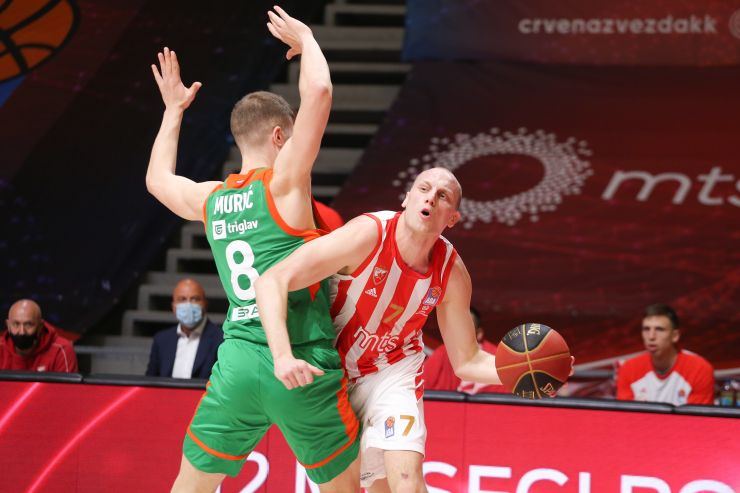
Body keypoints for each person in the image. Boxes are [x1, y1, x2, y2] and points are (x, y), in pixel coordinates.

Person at [146, 6, 359, 493]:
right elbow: (320, 93)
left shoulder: (212, 199)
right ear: (280, 136)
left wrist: (173, 110)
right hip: (300, 358)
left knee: (189, 487)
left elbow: (157, 180)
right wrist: (308, 40)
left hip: (237, 360)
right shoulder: (284, 184)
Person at [256, 167, 539, 493]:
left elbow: (467, 360)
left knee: (407, 482)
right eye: (424, 189)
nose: (430, 198)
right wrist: (282, 355)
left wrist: (526, 370)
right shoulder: (367, 234)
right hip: (331, 371)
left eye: (442, 196)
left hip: (392, 370)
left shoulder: (452, 272)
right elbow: (273, 280)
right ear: (407, 198)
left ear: (452, 218)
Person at [616, 303, 714, 406]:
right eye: (646, 329)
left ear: (675, 336)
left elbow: (697, 416)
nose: (651, 336)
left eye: (659, 329)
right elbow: (624, 414)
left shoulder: (700, 369)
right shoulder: (628, 368)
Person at [145, 278, 223, 379]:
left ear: (205, 304)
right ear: (173, 307)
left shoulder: (221, 339)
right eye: (182, 299)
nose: (188, 304)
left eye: (195, 299)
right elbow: (149, 382)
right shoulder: (161, 340)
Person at [425, 307, 507, 394]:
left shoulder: (497, 360)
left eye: (464, 328)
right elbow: (422, 386)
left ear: (479, 334)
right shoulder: (442, 353)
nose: (458, 333)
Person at [1, 299, 78, 372]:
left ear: (40, 326)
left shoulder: (61, 350)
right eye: (16, 324)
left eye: (28, 325)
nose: (22, 332)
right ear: (8, 325)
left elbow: (66, 382)